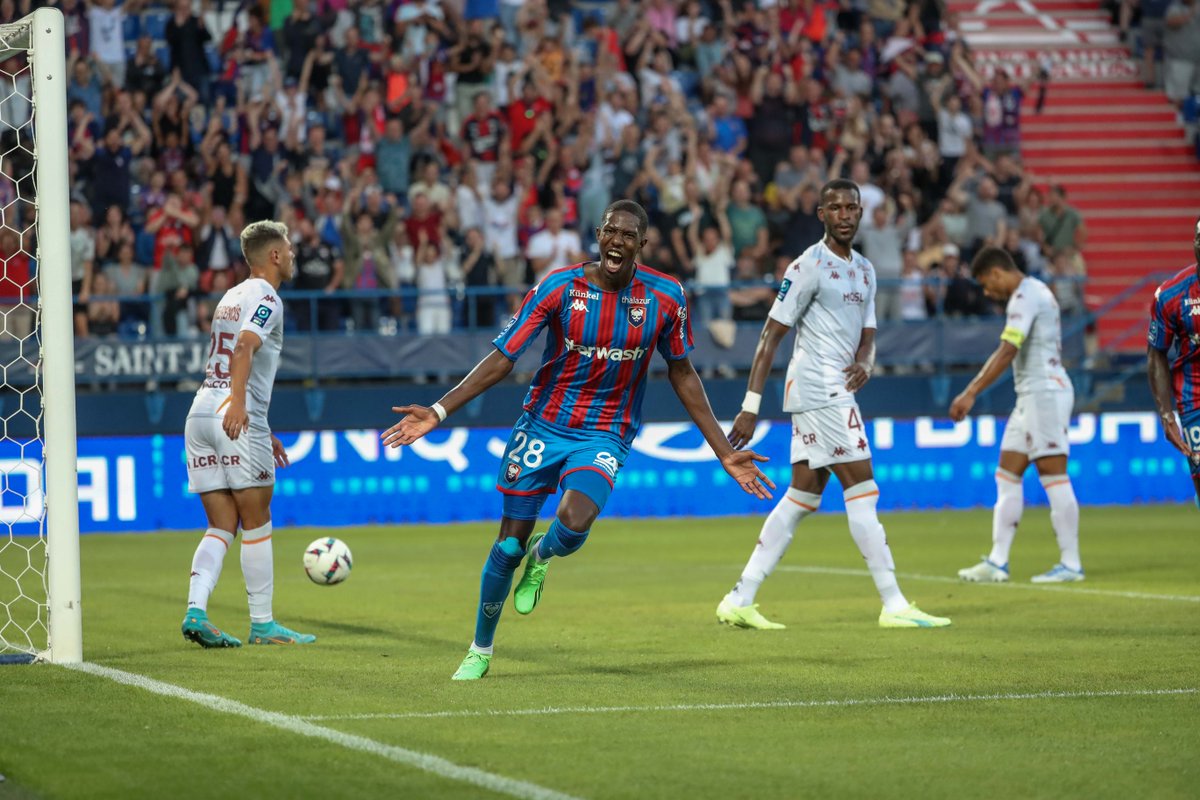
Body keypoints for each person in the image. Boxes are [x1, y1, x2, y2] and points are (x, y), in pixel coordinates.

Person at [381, 200, 776, 680]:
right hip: (542, 427)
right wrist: (440, 410)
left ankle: (543, 557)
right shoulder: (559, 286)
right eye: (611, 232)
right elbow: (505, 356)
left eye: (628, 235)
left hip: (605, 430)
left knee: (575, 518)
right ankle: (480, 649)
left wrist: (725, 452)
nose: (617, 242)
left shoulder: (666, 296)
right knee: (507, 547)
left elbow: (683, 372)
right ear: (598, 235)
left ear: (642, 244)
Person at [718, 179, 951, 631]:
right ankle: (894, 602)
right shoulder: (807, 266)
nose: (845, 214)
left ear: (860, 213)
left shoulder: (865, 269)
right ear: (821, 214)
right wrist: (750, 405)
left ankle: (740, 596)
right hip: (821, 388)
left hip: (833, 389)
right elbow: (770, 334)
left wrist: (866, 361)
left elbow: (869, 333)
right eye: (836, 208)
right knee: (863, 488)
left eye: (852, 207)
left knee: (801, 497)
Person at [180, 220, 315, 648]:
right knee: (257, 521)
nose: (293, 255)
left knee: (222, 524)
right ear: (274, 255)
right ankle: (263, 624)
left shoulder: (229, 296)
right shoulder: (267, 298)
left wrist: (261, 426)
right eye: (289, 249)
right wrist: (241, 407)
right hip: (232, 415)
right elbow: (244, 347)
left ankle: (196, 611)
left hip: (200, 412)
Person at [951, 247, 1081, 584]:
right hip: (1030, 396)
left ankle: (1071, 563)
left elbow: (1009, 349)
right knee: (1007, 474)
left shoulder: (1025, 296)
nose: (985, 291)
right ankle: (997, 561)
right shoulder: (1035, 291)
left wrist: (971, 391)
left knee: (1053, 474)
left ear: (996, 273)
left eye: (985, 283)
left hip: (1045, 394)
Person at [1147, 216, 1200, 507]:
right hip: (1195, 399)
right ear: (1194, 245)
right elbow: (1156, 353)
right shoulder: (1171, 295)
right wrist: (1167, 414)